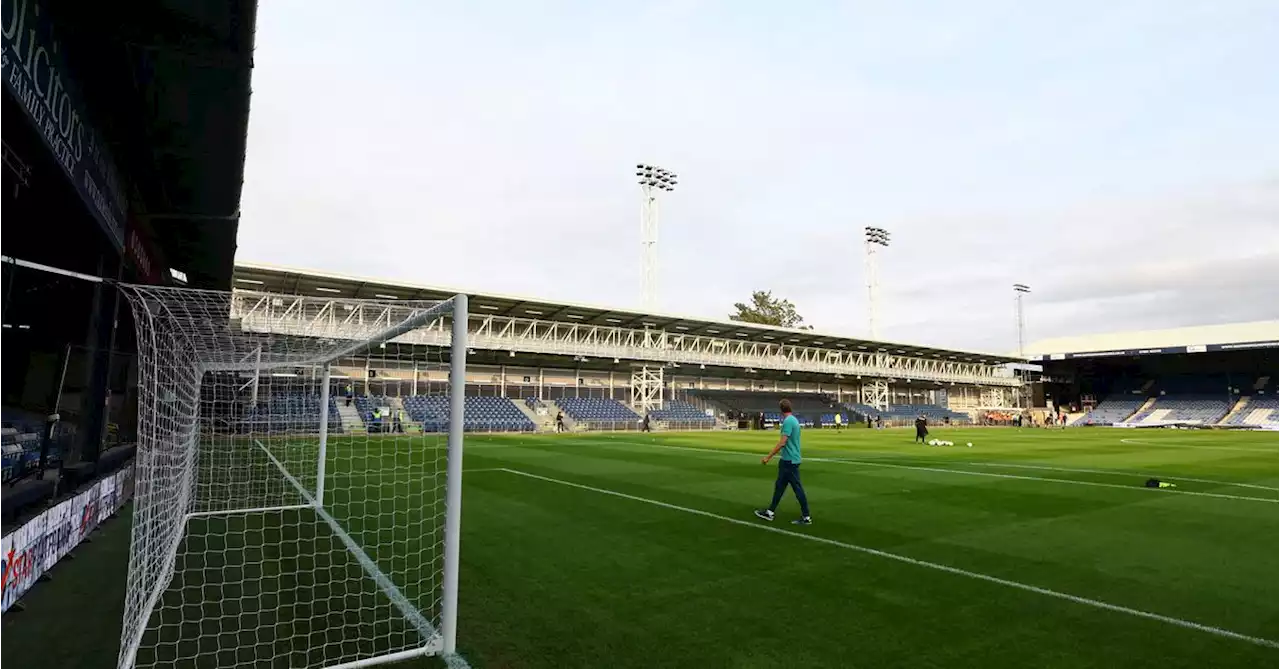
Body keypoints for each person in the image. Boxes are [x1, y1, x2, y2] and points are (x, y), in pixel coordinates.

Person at [754, 399, 812, 525]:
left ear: (781, 410)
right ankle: (770, 512)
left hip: (789, 461)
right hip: (790, 459)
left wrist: (768, 457)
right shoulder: (794, 420)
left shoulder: (788, 422)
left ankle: (806, 516)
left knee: (797, 488)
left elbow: (782, 442)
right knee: (780, 487)